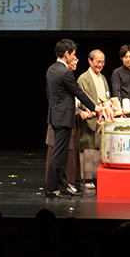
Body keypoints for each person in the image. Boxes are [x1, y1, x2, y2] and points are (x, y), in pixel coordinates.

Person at [45, 39, 100, 198]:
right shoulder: (65, 72)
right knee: (58, 155)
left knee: (61, 154)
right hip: (63, 118)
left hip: (55, 116)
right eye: (74, 54)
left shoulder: (51, 69)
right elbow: (79, 93)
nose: (75, 57)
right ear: (67, 54)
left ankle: (62, 186)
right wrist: (95, 107)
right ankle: (52, 188)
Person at [76, 49, 110, 189]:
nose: (100, 64)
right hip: (89, 117)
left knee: (99, 148)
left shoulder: (102, 78)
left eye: (102, 62)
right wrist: (87, 111)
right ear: (90, 61)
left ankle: (97, 177)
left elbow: (106, 97)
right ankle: (87, 179)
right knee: (88, 148)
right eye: (97, 61)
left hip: (101, 118)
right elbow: (80, 98)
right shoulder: (83, 78)